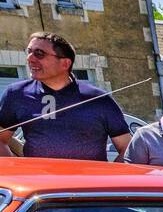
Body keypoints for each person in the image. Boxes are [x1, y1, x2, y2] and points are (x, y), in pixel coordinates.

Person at [0, 32, 131, 161]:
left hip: (89, 182)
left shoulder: (99, 99)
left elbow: (127, 149)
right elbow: (1, 139)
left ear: (65, 64)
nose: (30, 58)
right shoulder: (16, 94)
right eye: (29, 51)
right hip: (39, 181)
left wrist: (107, 178)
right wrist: (15, 172)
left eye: (39, 54)